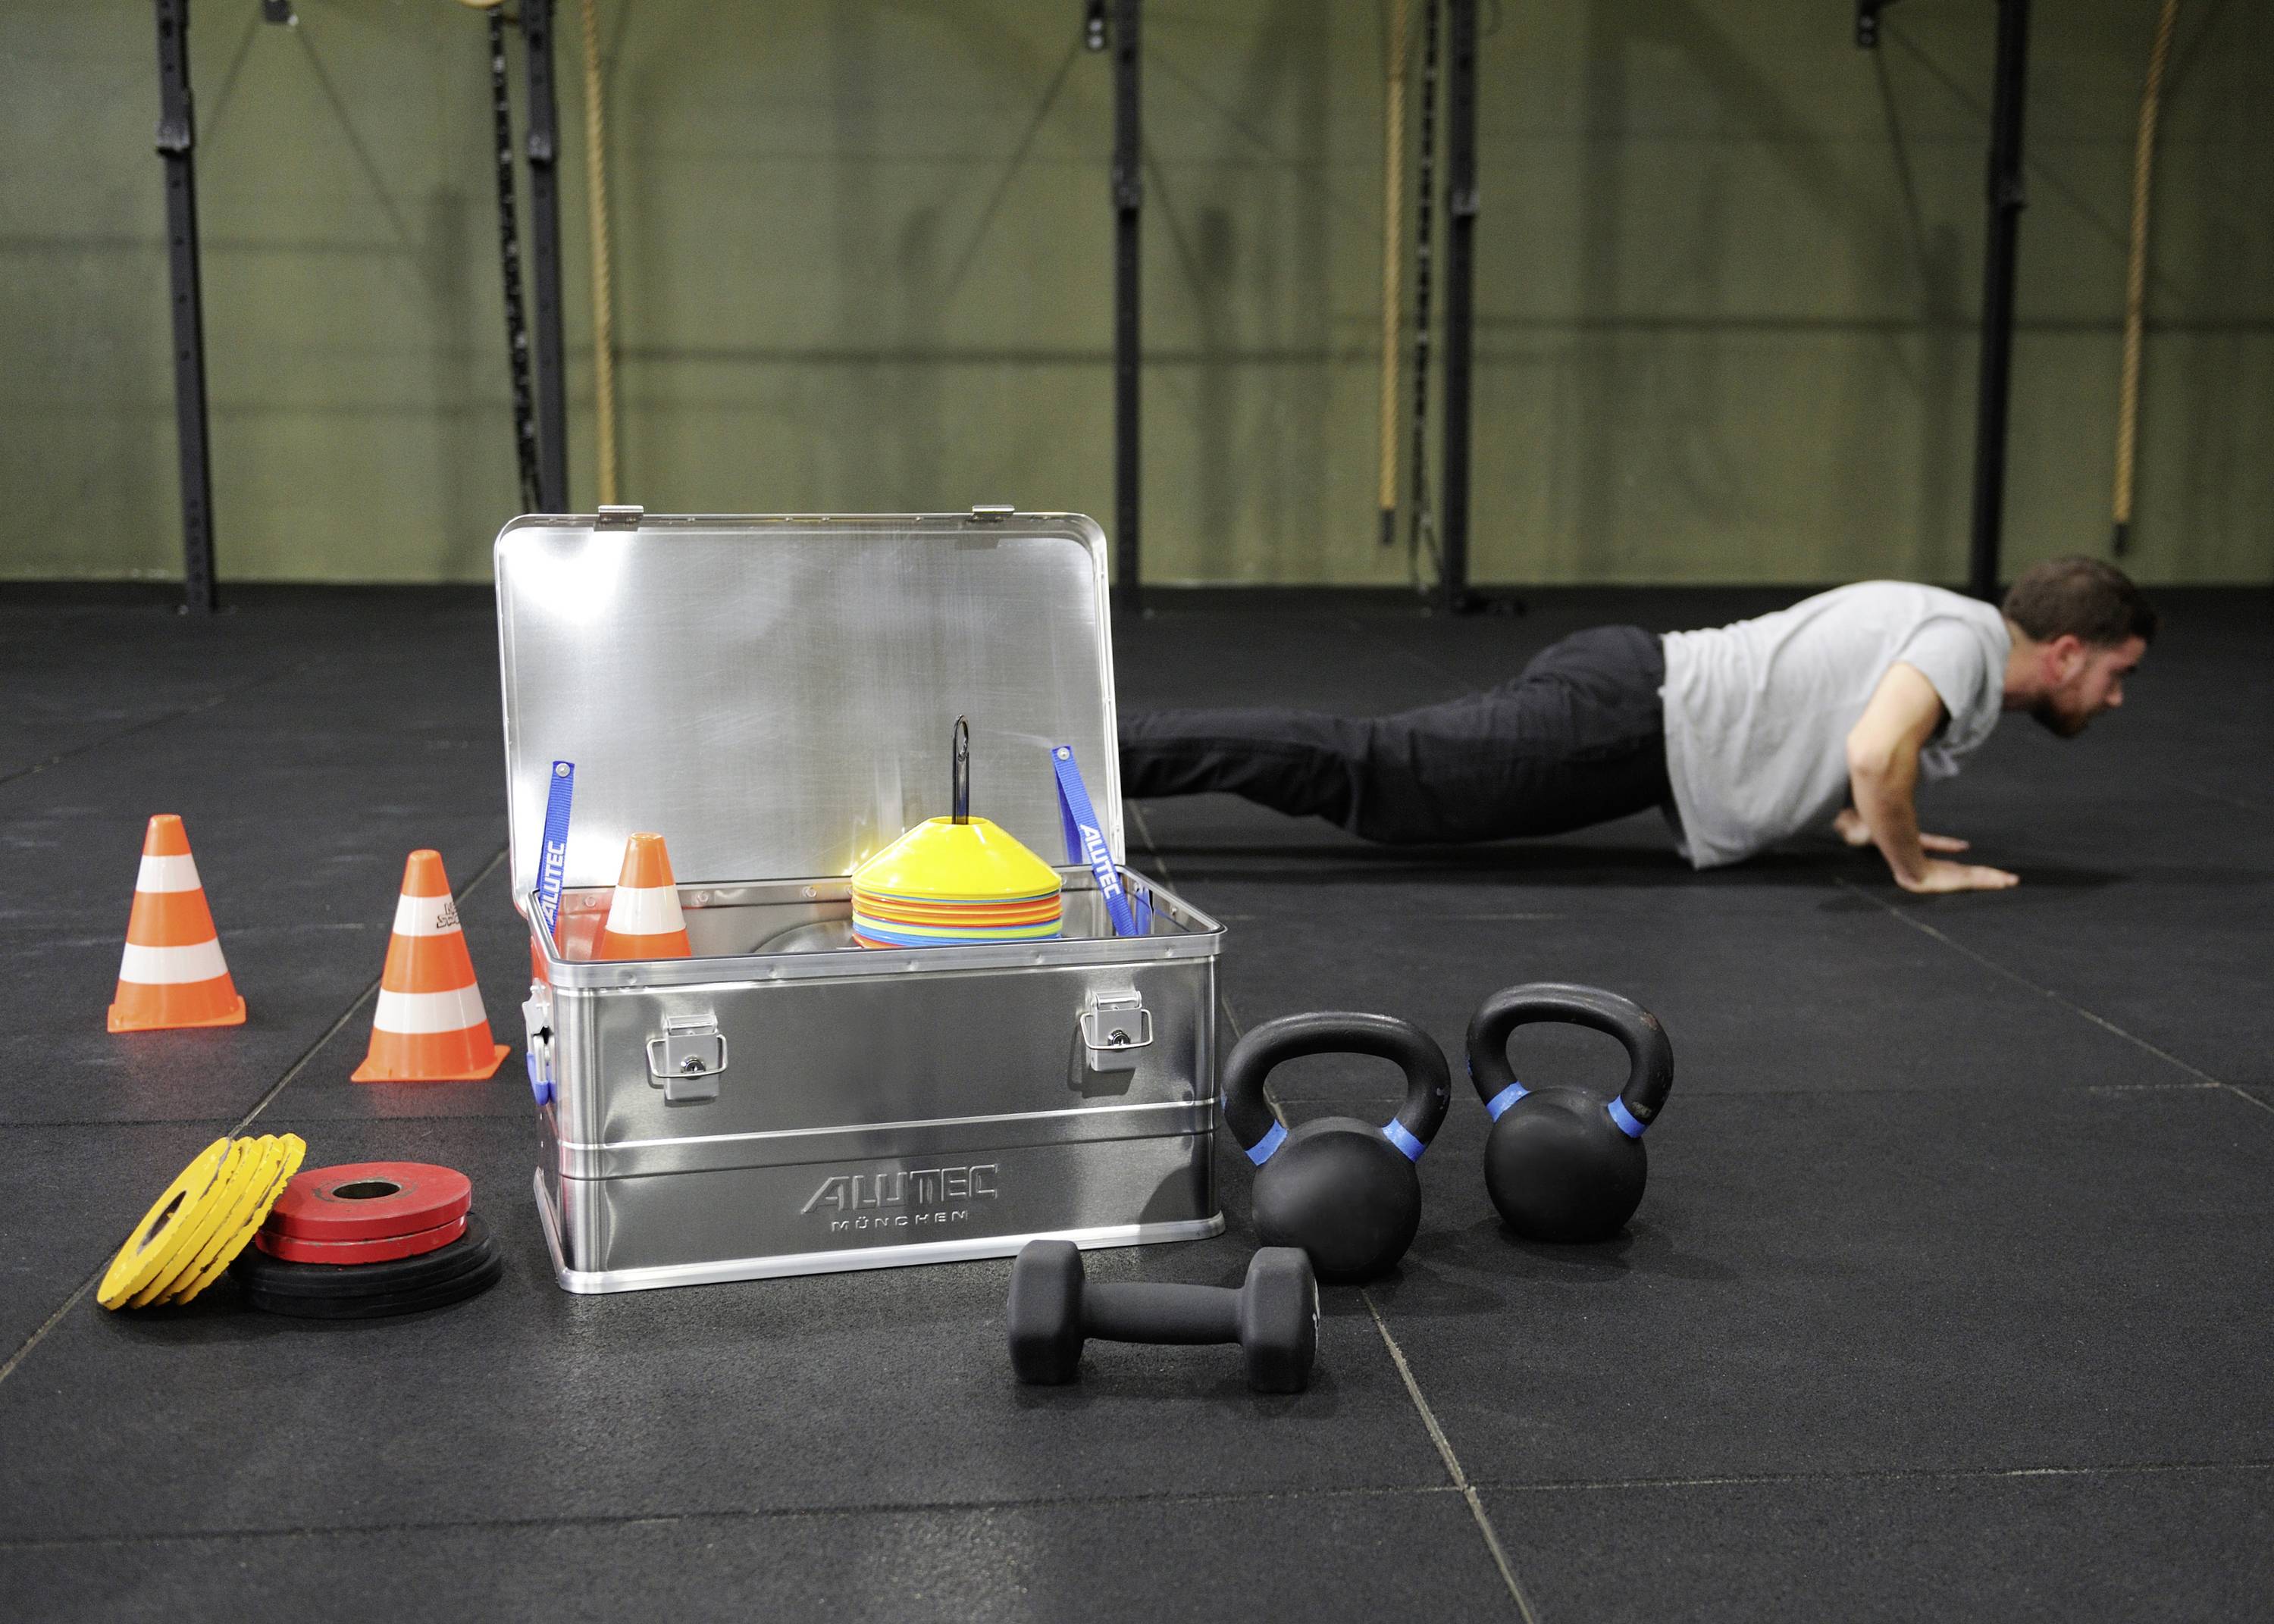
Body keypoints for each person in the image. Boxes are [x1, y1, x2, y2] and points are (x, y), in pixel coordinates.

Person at [1118, 556, 2155, 894]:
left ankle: (1104, 751)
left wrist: (1858, 818)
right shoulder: (1967, 644)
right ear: (2068, 651)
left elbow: (1849, 711)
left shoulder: (1949, 622)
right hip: (1628, 719)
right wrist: (1913, 868)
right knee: (1375, 776)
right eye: (2118, 675)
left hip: (1632, 695)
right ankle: (1099, 752)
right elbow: (1877, 750)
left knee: (1379, 778)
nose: (2115, 700)